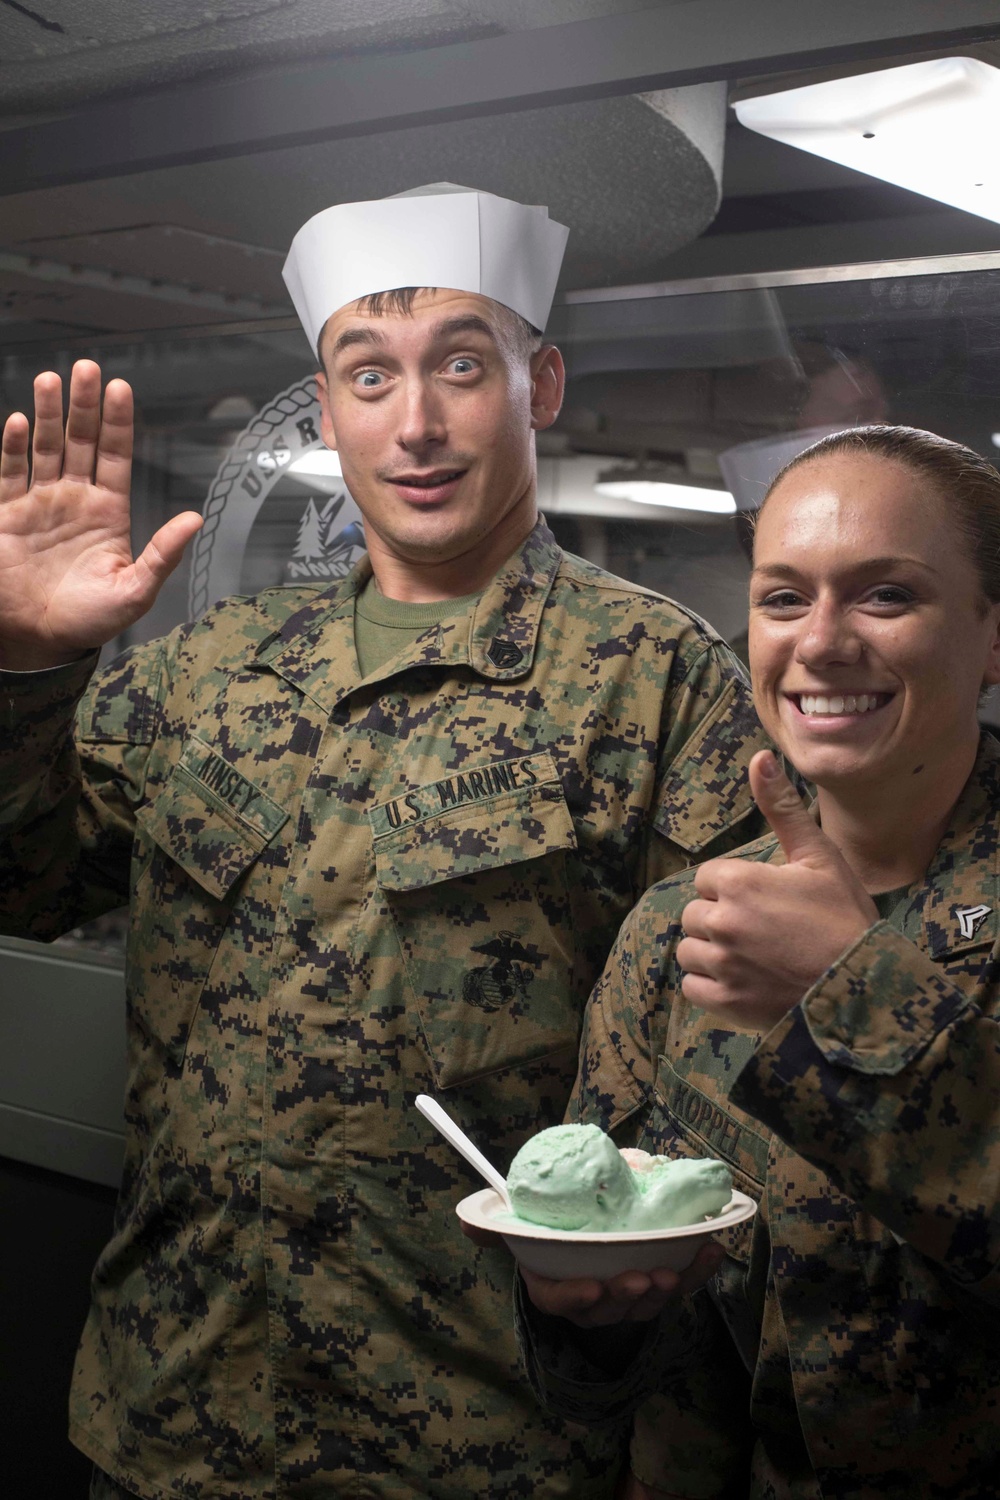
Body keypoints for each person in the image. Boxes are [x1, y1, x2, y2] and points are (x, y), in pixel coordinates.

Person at [0, 183, 769, 1500]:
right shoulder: (202, 671)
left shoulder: (657, 679)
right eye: (369, 376)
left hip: (480, 1439)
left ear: (542, 384)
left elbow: (723, 1083)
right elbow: (28, 878)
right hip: (173, 1406)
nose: (415, 423)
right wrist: (22, 675)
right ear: (328, 403)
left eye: (462, 368)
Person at [517, 424, 1000, 1500]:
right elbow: (616, 1374)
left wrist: (857, 996)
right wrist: (589, 1315)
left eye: (884, 596)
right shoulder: (686, 926)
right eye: (783, 599)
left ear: (992, 636)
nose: (820, 643)